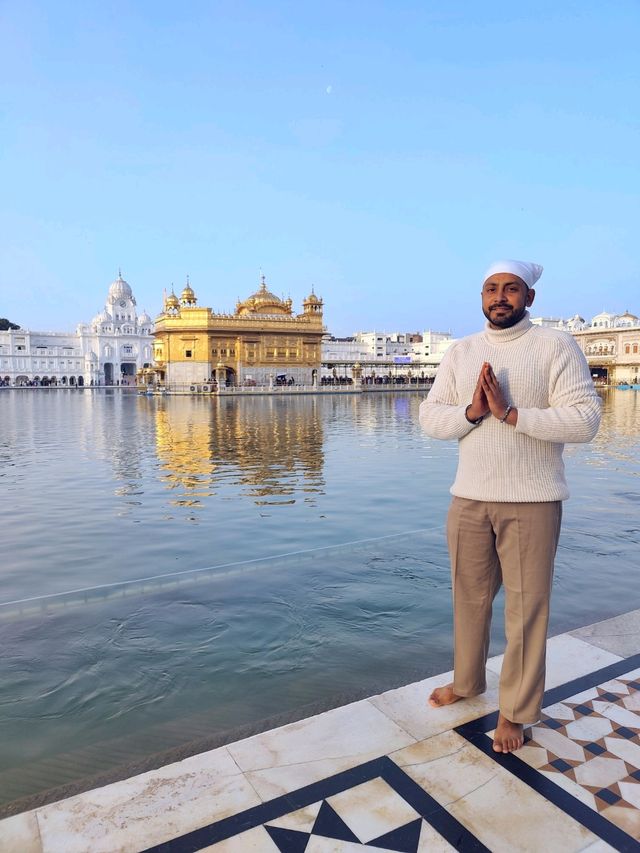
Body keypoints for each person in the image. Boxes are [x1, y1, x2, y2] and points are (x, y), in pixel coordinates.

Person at [419, 259, 601, 753]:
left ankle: (516, 712)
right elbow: (430, 418)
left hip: (532, 500)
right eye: (491, 289)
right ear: (481, 298)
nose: (500, 297)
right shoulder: (462, 352)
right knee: (469, 600)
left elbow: (584, 421)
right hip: (469, 496)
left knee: (525, 611)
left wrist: (511, 414)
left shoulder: (555, 346)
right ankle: (466, 682)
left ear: (530, 298)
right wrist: (474, 412)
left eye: (511, 289)